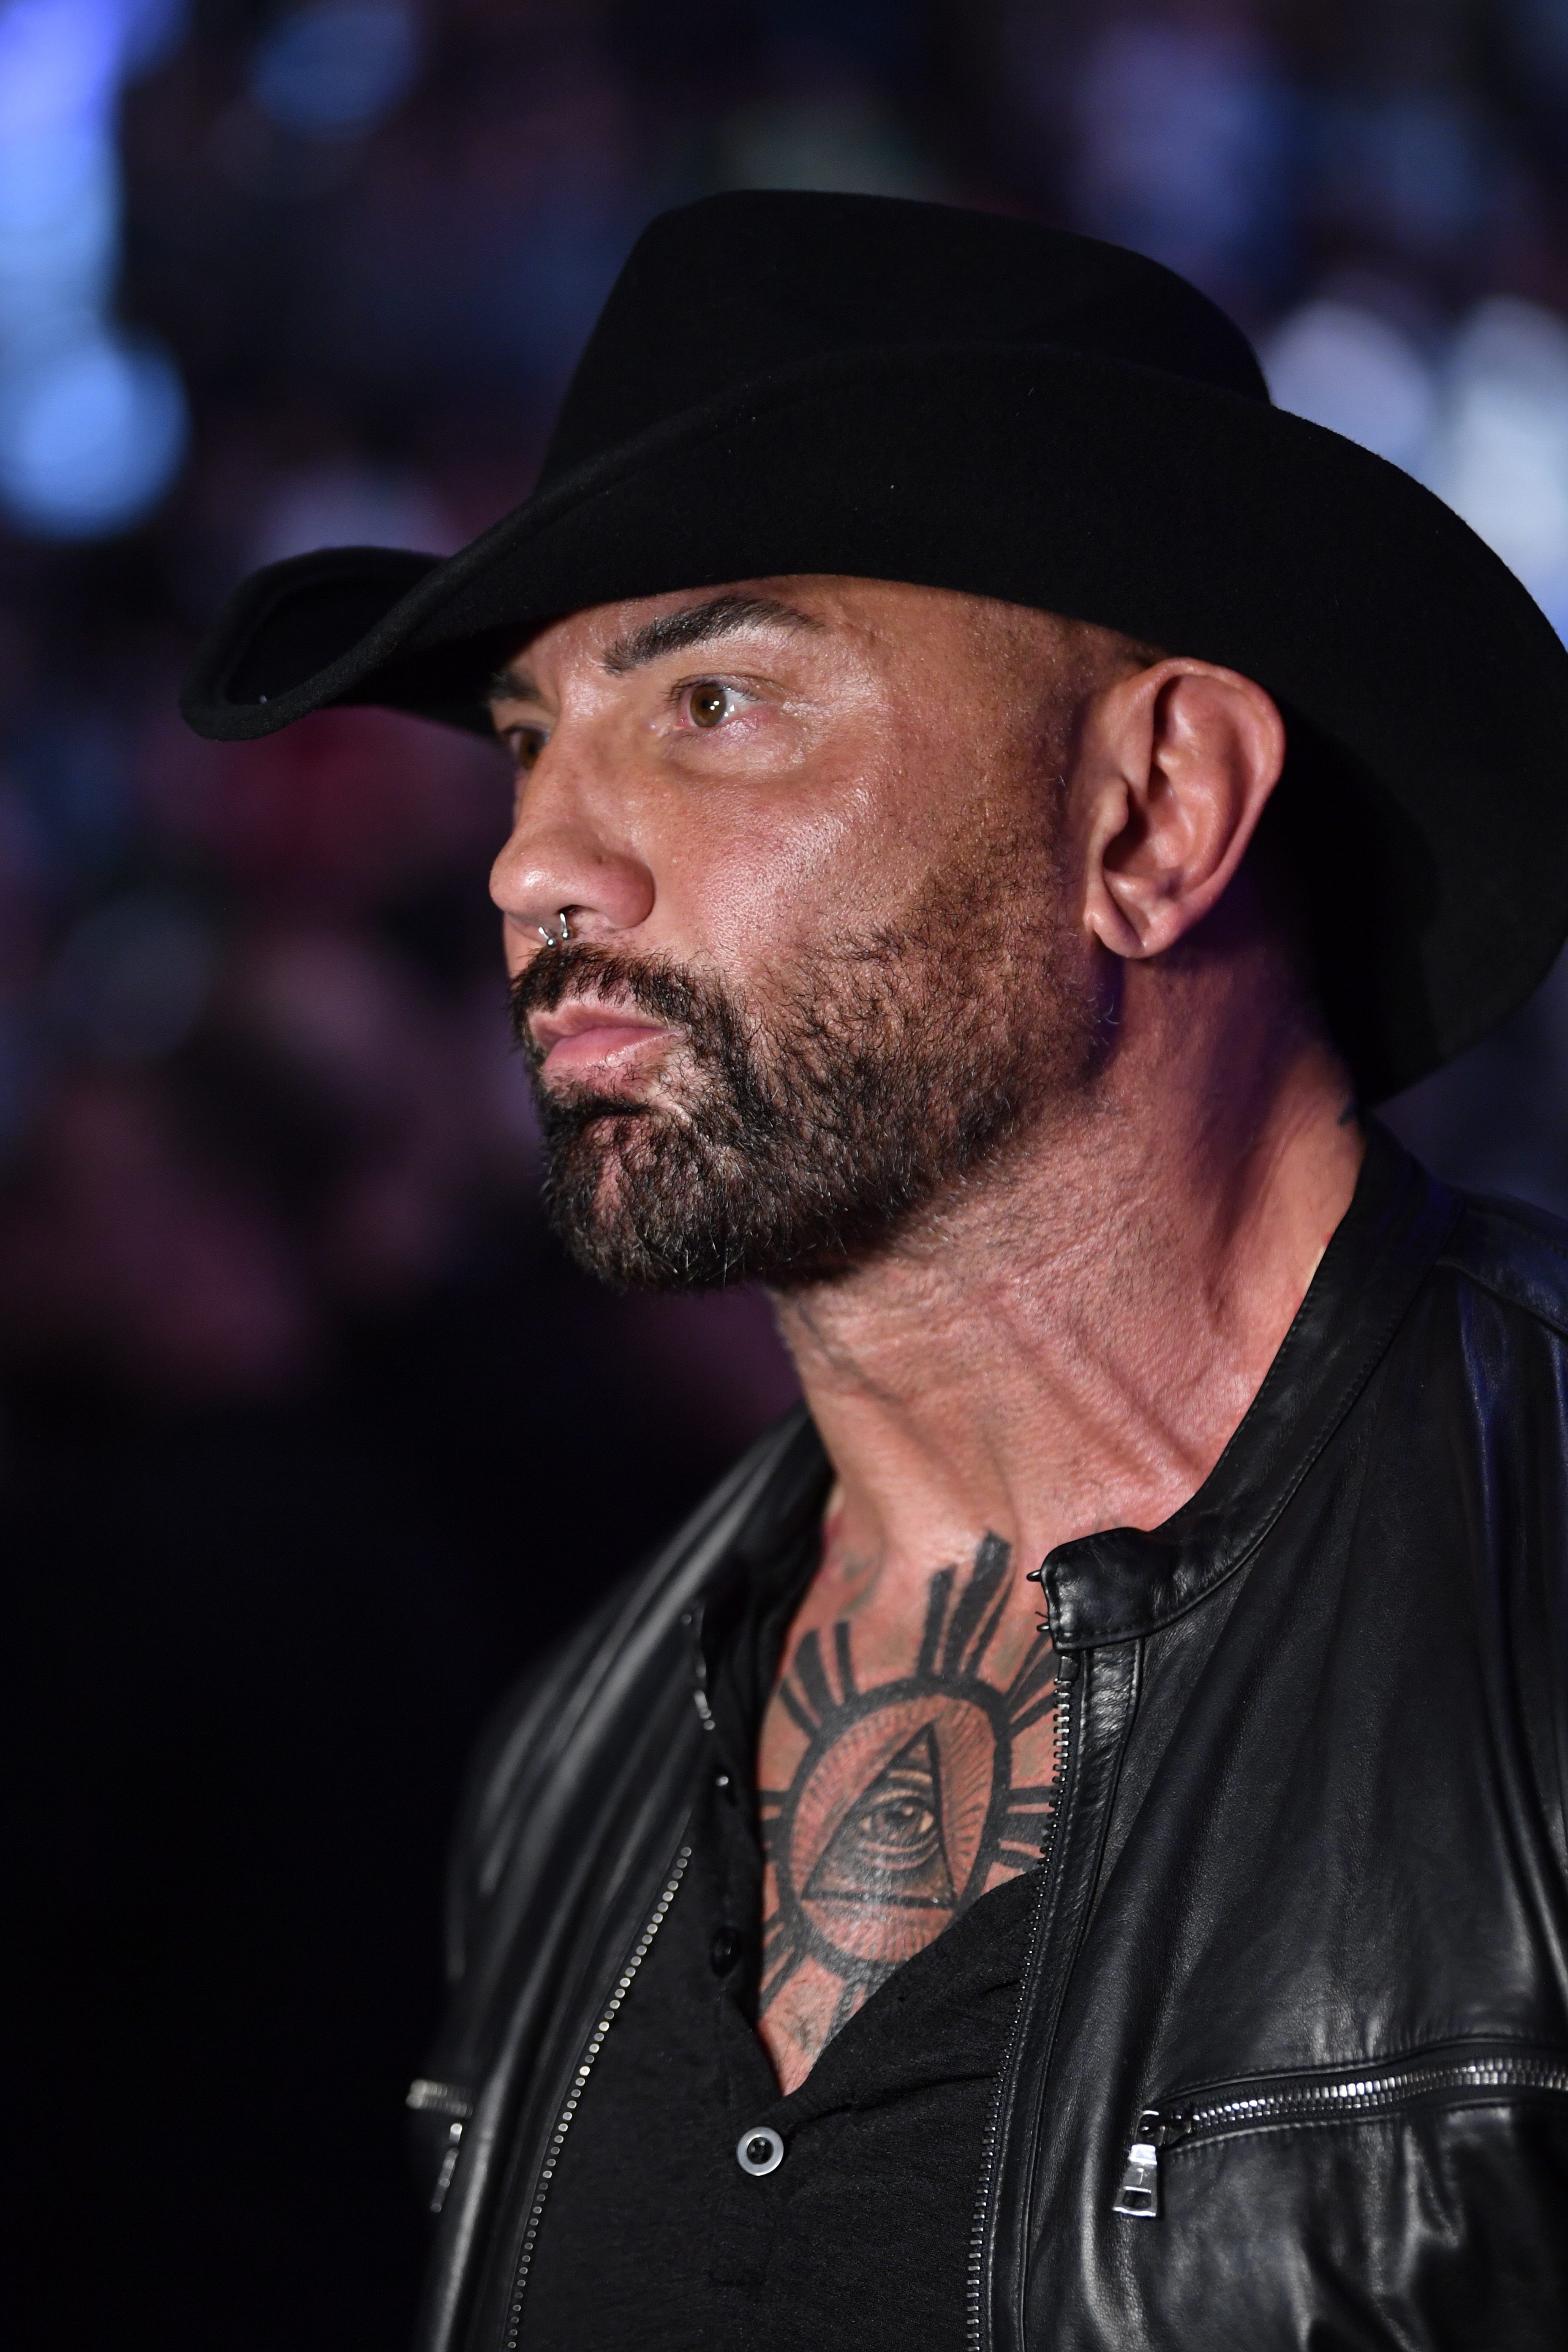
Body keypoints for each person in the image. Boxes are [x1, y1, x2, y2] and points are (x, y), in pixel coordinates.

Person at [182, 193, 1568, 2351]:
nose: (536, 856)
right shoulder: (579, 1748)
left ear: (1155, 810)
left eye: (715, 701)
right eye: (533, 734)